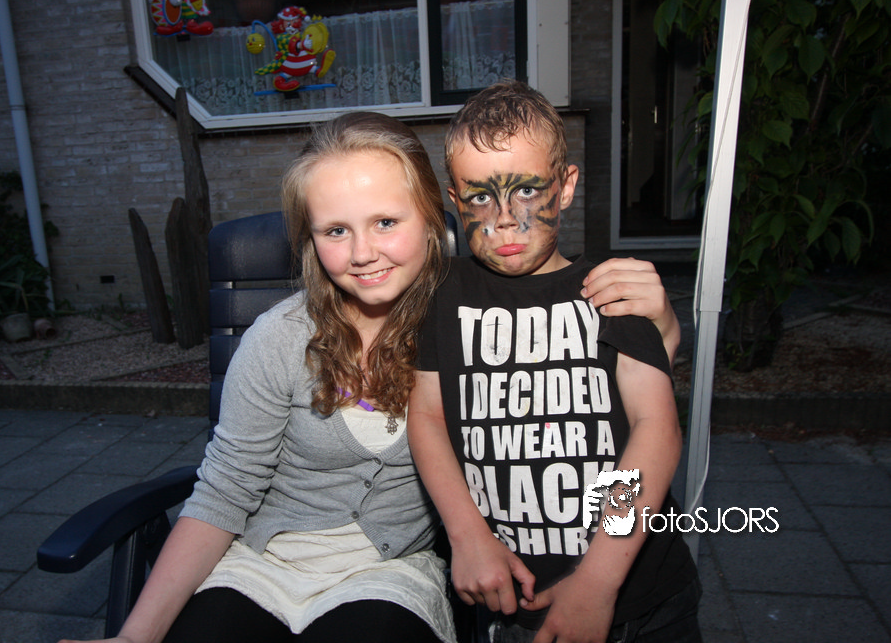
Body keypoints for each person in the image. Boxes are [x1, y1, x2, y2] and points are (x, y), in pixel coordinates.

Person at [60, 110, 682, 643]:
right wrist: (136, 636)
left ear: (433, 216)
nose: (362, 253)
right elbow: (225, 489)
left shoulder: (468, 315)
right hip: (261, 564)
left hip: (394, 575)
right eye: (336, 230)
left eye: (386, 222)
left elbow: (614, 407)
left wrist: (664, 326)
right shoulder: (278, 340)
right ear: (310, 240)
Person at [407, 80, 701, 643]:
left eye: (526, 191)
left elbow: (655, 426)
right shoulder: (441, 295)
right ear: (454, 198)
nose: (504, 220)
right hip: (514, 602)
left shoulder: (612, 289)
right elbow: (426, 416)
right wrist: (466, 534)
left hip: (644, 601)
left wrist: (599, 580)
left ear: (565, 186)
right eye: (480, 197)